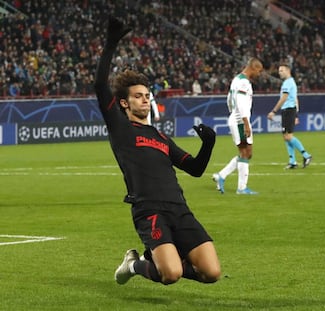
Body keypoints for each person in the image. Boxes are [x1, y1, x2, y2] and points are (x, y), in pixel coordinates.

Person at [94, 16, 220, 286]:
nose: (145, 99)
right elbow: (99, 86)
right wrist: (110, 43)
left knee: (211, 273)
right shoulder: (120, 128)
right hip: (148, 209)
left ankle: (157, 257)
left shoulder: (161, 137)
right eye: (139, 96)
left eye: (147, 95)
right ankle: (135, 264)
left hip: (179, 208)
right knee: (171, 274)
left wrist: (208, 144)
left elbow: (195, 169)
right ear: (124, 104)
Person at [212, 58, 263, 194]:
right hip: (240, 121)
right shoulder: (244, 83)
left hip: (237, 118)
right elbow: (240, 103)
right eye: (259, 70)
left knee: (246, 153)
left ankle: (221, 176)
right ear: (253, 67)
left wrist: (232, 112)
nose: (260, 74)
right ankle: (241, 188)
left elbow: (229, 99)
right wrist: (245, 123)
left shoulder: (236, 80)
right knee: (245, 153)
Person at [267, 63, 312, 169]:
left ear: (288, 71)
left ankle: (306, 155)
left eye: (282, 70)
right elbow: (295, 99)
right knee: (286, 137)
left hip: (288, 110)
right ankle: (292, 161)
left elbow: (284, 98)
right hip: (288, 110)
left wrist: (273, 111)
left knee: (288, 136)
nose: (280, 73)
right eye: (279, 71)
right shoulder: (290, 83)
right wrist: (296, 114)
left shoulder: (288, 83)